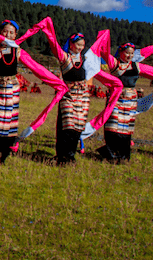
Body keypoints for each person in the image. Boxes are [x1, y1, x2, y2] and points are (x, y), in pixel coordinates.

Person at [0, 17, 66, 165]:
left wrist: (57, 83)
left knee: (9, 125)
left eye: (11, 32)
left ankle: (1, 157)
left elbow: (36, 68)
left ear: (15, 35)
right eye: (5, 31)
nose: (8, 34)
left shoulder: (18, 52)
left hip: (12, 89)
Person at [39, 29, 122, 165]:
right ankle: (63, 156)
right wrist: (48, 30)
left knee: (78, 126)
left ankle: (71, 155)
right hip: (68, 95)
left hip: (83, 96)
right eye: (78, 45)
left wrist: (115, 83)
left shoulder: (85, 59)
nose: (80, 48)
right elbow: (54, 45)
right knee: (67, 126)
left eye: (82, 45)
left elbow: (97, 71)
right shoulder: (64, 57)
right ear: (71, 44)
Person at [93, 35, 153, 163]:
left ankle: (123, 155)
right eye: (127, 53)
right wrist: (102, 39)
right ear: (121, 52)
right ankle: (110, 154)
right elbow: (104, 52)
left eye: (132, 53)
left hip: (130, 100)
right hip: (116, 99)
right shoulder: (114, 63)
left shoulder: (137, 66)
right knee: (112, 127)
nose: (129, 56)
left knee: (126, 129)